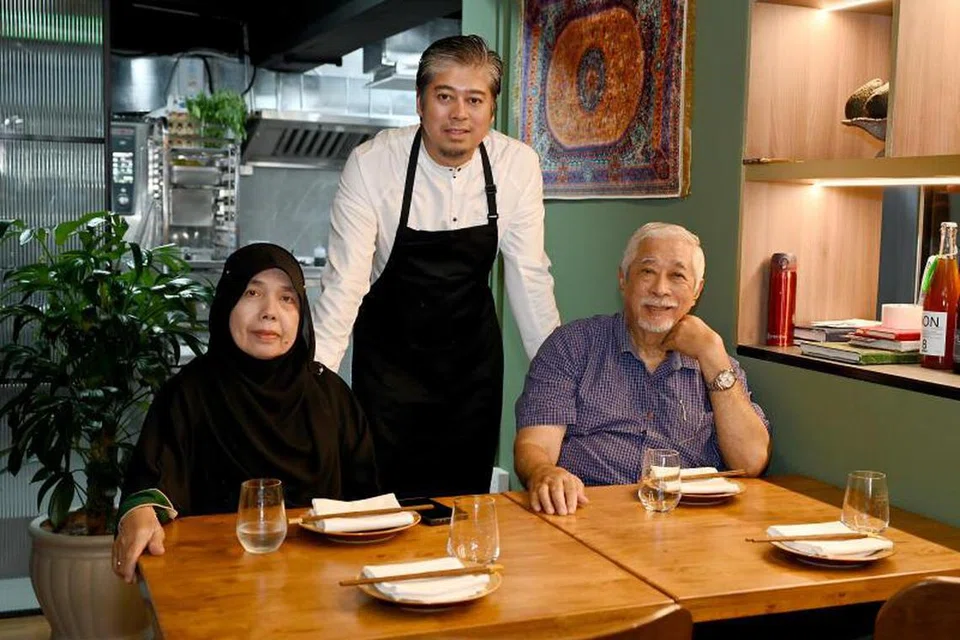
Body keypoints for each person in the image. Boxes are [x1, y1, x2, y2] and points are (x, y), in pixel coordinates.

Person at [312, 35, 561, 497]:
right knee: (381, 501)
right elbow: (345, 284)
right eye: (444, 96)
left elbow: (530, 278)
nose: (459, 114)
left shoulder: (516, 166)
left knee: (460, 506)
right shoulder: (372, 165)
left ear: (491, 110)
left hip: (472, 372)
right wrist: (312, 383)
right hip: (389, 367)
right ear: (420, 103)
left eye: (474, 99)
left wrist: (559, 377)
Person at [113, 244, 378, 583]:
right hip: (215, 580)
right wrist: (139, 513)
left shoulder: (330, 395)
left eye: (287, 299)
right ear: (227, 301)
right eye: (252, 292)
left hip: (322, 582)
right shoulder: (190, 392)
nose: (270, 312)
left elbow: (367, 501)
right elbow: (151, 481)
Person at [514, 222, 770, 515]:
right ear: (623, 278)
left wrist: (713, 356)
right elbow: (534, 445)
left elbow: (751, 461)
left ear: (697, 290)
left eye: (677, 276)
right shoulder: (572, 346)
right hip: (585, 512)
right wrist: (543, 472)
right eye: (647, 272)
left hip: (688, 522)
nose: (660, 289)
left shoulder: (716, 364)